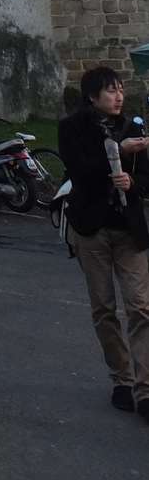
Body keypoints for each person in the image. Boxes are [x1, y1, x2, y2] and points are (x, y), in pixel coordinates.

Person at [58, 67, 149, 417]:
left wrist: (134, 184)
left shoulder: (134, 129)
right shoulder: (72, 128)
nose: (119, 96)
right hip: (92, 228)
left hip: (129, 229)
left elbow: (146, 177)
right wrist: (120, 152)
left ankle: (145, 388)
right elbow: (79, 172)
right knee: (104, 308)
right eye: (111, 91)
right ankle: (122, 380)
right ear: (92, 97)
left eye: (122, 90)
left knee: (141, 306)